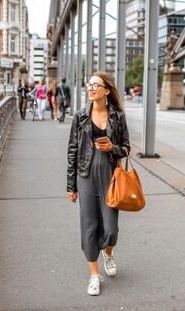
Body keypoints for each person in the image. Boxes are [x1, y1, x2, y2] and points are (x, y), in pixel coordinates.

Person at [66, 71, 130, 296]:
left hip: (110, 176)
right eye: (89, 85)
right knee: (89, 225)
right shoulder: (80, 116)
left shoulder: (118, 117)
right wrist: (71, 185)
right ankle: (94, 275)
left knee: (111, 229)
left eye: (96, 85)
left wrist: (111, 148)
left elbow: (127, 148)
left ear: (106, 90)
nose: (91, 88)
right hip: (85, 176)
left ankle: (108, 253)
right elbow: (72, 151)